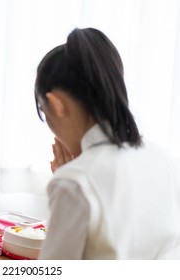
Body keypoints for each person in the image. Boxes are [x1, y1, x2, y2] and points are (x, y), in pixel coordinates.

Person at [35, 27, 180, 259]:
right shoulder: (167, 161)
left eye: (44, 111)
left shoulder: (75, 182)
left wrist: (70, 178)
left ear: (56, 105)